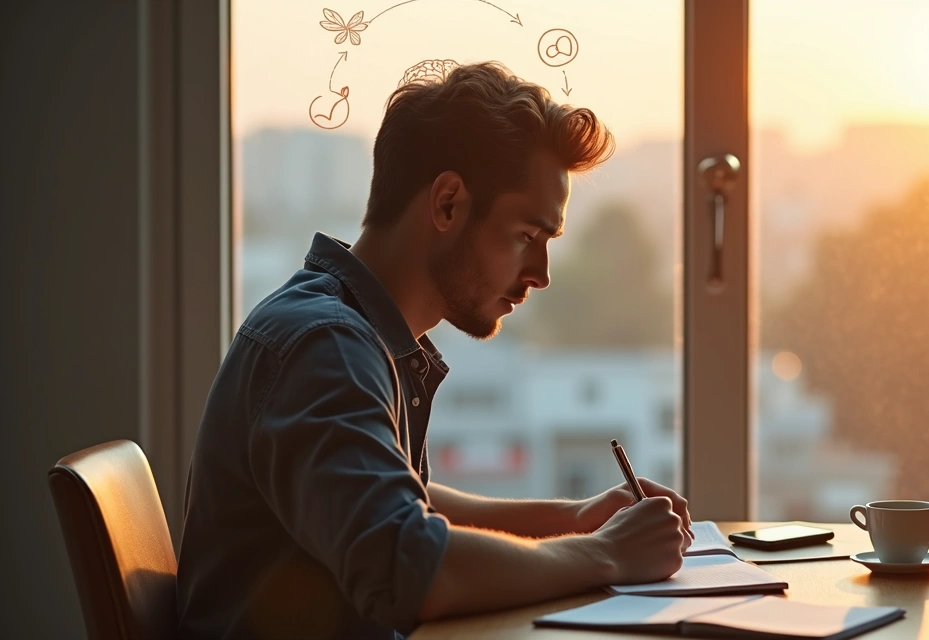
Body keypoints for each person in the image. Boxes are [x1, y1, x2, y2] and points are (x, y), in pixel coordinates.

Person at [176, 61, 692, 640]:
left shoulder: (345, 329)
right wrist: (605, 556)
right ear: (448, 203)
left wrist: (572, 519)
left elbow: (403, 502)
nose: (541, 273)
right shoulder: (326, 347)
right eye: (527, 236)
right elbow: (406, 565)